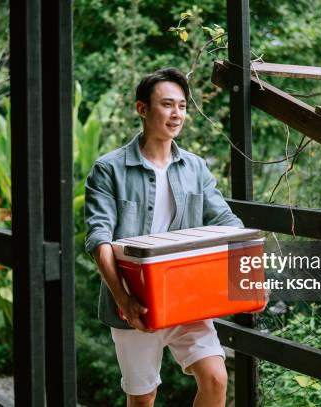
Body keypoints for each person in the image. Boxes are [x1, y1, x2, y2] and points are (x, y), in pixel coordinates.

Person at [84, 67, 244, 407]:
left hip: (187, 296)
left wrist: (249, 265)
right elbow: (99, 239)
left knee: (216, 378)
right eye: (167, 105)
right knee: (143, 399)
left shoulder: (196, 168)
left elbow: (226, 219)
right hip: (136, 302)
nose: (177, 114)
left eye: (182, 106)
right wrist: (124, 300)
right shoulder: (108, 169)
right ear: (142, 109)